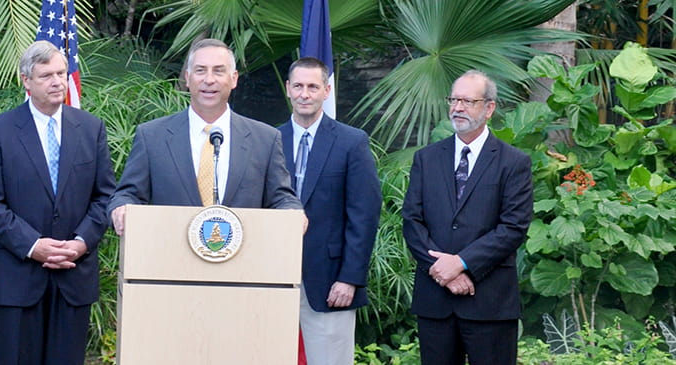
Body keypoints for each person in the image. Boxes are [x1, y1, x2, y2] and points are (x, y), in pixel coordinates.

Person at [0, 40, 115, 365]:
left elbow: (104, 195)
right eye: (46, 75)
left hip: (73, 276)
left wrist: (81, 243)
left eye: (61, 73)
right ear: (26, 80)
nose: (57, 82)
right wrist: (33, 245)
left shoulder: (91, 129)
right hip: (17, 278)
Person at [402, 70, 534, 365]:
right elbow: (412, 221)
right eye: (454, 99)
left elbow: (513, 227)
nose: (458, 108)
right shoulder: (427, 158)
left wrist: (462, 264)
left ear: (489, 108)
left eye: (468, 101)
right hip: (435, 301)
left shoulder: (513, 162)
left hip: (489, 302)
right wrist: (442, 270)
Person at [108, 38, 301, 232]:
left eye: (218, 71)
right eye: (201, 70)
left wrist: (292, 212)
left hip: (243, 257)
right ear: (188, 78)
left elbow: (281, 198)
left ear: (234, 79)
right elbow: (127, 194)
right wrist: (121, 208)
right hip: (170, 255)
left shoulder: (265, 140)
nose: (209, 80)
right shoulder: (152, 137)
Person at [277, 57, 381, 365]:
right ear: (288, 89)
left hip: (330, 282)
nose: (305, 94)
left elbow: (364, 215)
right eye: (298, 86)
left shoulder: (352, 142)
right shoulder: (268, 140)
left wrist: (350, 278)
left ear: (327, 90)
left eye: (312, 86)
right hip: (272, 277)